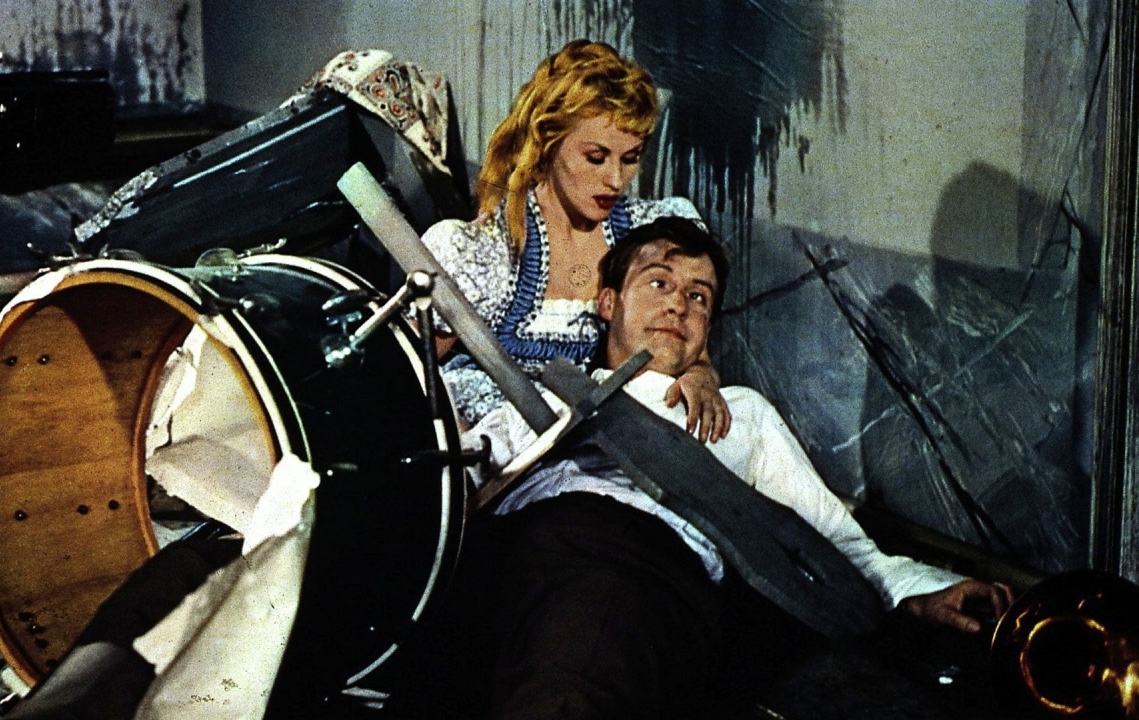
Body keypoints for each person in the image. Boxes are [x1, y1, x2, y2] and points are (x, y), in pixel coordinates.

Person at [398, 217, 1014, 719]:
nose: (678, 304)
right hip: (501, 554)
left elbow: (836, 540)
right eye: (659, 283)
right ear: (608, 302)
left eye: (698, 297)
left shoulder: (741, 415)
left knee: (570, 687)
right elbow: (455, 483)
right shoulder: (544, 396)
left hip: (632, 568)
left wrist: (920, 590)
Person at [421, 39, 729, 441]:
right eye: (596, 158)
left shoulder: (653, 237)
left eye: (631, 159)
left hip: (609, 448)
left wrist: (701, 376)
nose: (615, 180)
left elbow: (691, 348)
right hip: (498, 457)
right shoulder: (485, 250)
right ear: (547, 144)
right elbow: (406, 368)